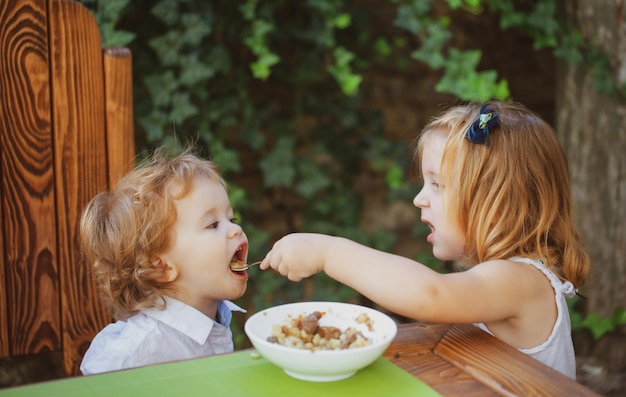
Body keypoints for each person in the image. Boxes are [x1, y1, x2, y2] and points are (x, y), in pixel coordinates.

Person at [260, 100, 590, 379]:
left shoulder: (521, 280)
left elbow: (430, 295)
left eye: (437, 185)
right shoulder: (505, 279)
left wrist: (327, 252)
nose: (420, 199)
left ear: (497, 203)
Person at [79, 146, 250, 375]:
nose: (235, 229)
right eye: (212, 224)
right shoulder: (136, 354)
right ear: (161, 266)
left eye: (231, 218)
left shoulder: (216, 317)